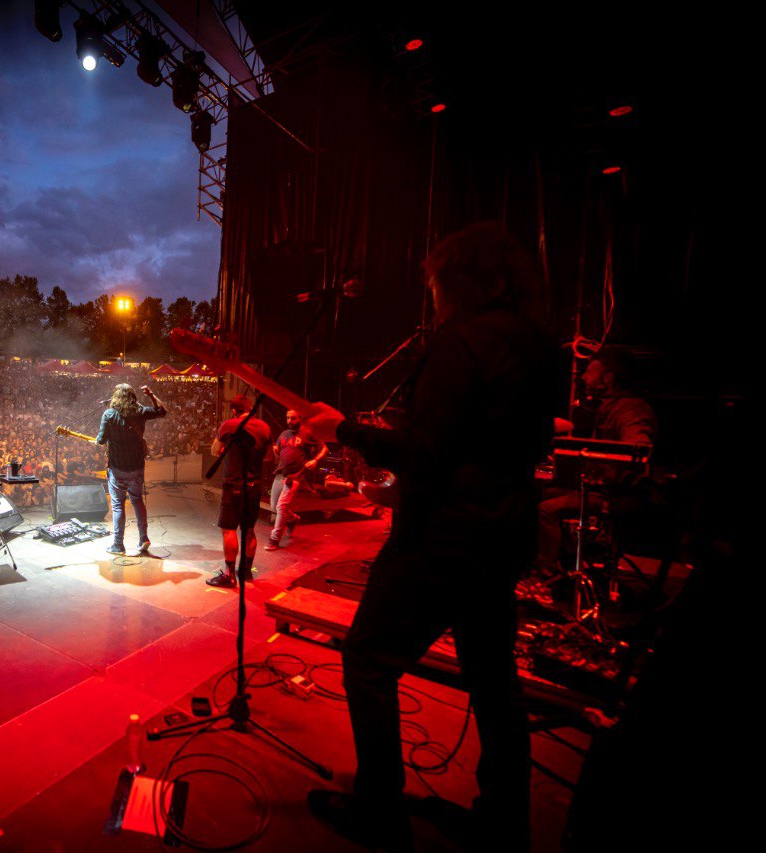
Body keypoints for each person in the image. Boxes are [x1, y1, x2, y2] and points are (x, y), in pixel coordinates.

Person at [303, 223, 556, 850]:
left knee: (368, 659)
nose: (434, 297)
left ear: (458, 281)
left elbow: (425, 453)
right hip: (505, 533)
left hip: (443, 535)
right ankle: (503, 826)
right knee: (494, 680)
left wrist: (344, 431)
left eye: (436, 283)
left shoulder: (460, 341)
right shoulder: (537, 345)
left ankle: (379, 816)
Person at [536, 348, 658, 577]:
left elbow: (638, 449)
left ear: (608, 378)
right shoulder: (609, 407)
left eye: (590, 372)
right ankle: (567, 560)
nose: (583, 377)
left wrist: (600, 464)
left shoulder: (630, 410)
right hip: (600, 489)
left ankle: (546, 573)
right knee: (537, 494)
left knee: (546, 510)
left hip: (619, 494)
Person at [207, 394, 272, 588]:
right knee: (249, 529)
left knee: (229, 530)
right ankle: (246, 572)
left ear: (234, 410)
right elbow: (269, 457)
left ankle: (229, 575)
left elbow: (214, 450)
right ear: (250, 407)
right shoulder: (264, 427)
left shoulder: (228, 425)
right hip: (254, 486)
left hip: (233, 485)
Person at [96, 383, 166, 555]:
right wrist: (151, 394)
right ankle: (144, 539)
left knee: (118, 505)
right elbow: (162, 411)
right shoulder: (140, 412)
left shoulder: (109, 414)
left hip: (117, 468)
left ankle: (118, 545)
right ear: (133, 397)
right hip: (137, 467)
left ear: (116, 397)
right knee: (137, 501)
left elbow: (100, 440)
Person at [265, 409, 328, 551]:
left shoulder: (307, 434)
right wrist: (274, 450)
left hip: (295, 476)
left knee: (281, 507)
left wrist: (315, 460)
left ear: (300, 418)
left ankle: (274, 539)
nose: (289, 421)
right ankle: (293, 519)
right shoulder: (284, 434)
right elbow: (278, 451)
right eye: (288, 418)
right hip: (280, 474)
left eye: (293, 418)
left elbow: (324, 448)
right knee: (274, 507)